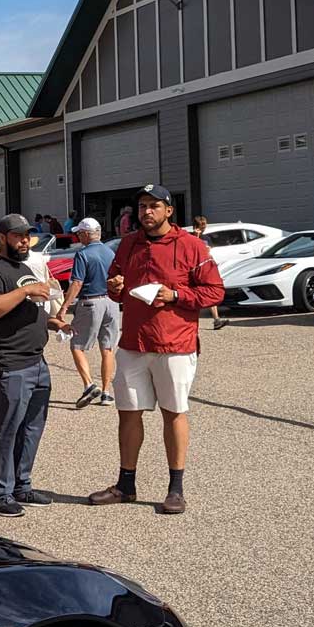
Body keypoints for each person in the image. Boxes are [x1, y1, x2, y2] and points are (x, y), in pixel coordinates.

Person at [89, 184, 224, 516]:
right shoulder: (127, 245)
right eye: (142, 206)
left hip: (175, 344)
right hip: (133, 342)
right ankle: (126, 485)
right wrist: (115, 288)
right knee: (128, 413)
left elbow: (215, 291)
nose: (146, 212)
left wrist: (176, 296)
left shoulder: (192, 246)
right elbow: (118, 285)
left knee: (173, 412)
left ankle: (175, 489)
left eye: (153, 206)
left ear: (168, 210)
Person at [0, 213, 55, 518]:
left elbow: (27, 309)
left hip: (36, 361)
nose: (25, 241)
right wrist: (25, 291)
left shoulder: (23, 268)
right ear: (4, 236)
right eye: (19, 236)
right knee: (7, 429)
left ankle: (22, 485)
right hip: (9, 363)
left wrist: (52, 322)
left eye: (27, 236)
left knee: (32, 428)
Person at [58, 217, 118, 408]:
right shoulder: (110, 252)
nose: (78, 236)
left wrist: (64, 306)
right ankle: (107, 392)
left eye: (79, 233)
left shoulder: (83, 254)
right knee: (107, 348)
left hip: (90, 302)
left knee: (77, 345)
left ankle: (89, 385)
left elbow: (77, 283)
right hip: (111, 302)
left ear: (85, 234)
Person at [191, 217, 228, 330]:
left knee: (208, 292)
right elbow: (191, 250)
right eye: (201, 226)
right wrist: (196, 237)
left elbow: (208, 250)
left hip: (205, 267)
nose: (202, 228)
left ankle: (216, 320)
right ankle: (191, 322)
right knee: (192, 295)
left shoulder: (206, 238)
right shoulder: (190, 237)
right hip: (193, 269)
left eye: (204, 226)